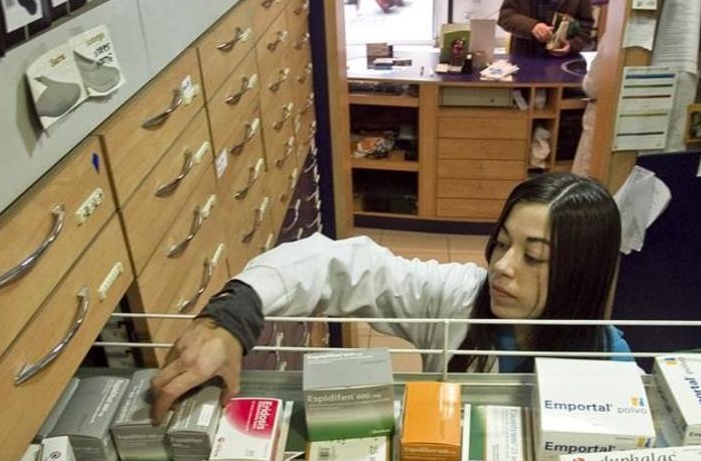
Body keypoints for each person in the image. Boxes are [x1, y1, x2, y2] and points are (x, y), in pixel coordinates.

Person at [149, 173, 629, 423]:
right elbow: (341, 266)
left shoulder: (612, 363)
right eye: (502, 244)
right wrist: (230, 318)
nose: (502, 266)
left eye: (534, 257)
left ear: (579, 273)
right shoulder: (459, 297)